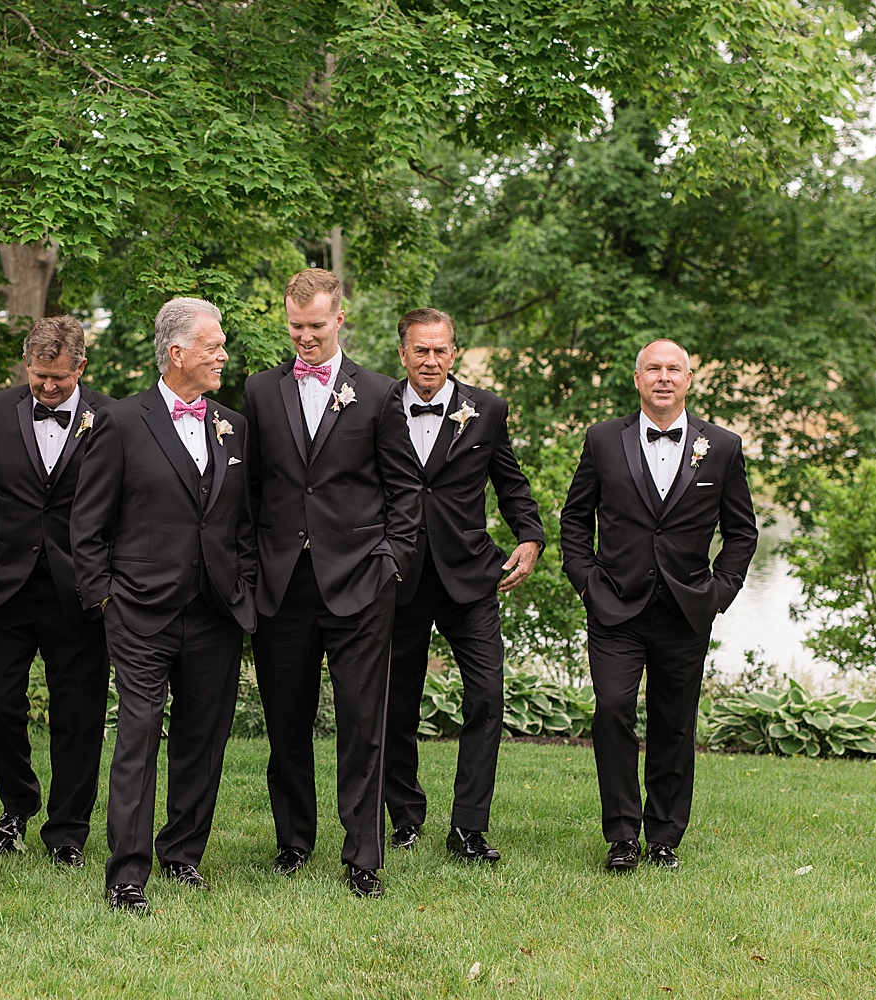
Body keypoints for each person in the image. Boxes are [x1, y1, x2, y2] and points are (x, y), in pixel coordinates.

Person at [70, 297, 257, 913]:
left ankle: (183, 855)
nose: (223, 354)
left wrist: (244, 588)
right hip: (140, 613)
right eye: (214, 346)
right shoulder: (120, 422)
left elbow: (244, 522)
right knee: (139, 737)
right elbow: (87, 526)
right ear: (177, 354)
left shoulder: (232, 423)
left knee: (203, 738)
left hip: (216, 612)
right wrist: (105, 600)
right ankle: (127, 873)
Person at [241, 268, 423, 898]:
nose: (305, 339)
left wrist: (391, 561)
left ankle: (363, 857)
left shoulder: (377, 394)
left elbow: (404, 491)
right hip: (282, 585)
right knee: (285, 722)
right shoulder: (260, 391)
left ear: (339, 320)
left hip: (361, 584)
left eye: (316, 327)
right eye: (295, 328)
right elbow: (252, 488)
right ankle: (293, 842)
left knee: (362, 723)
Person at [559, 338, 757, 871]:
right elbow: (575, 520)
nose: (663, 377)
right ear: (637, 378)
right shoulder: (603, 440)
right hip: (614, 607)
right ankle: (622, 835)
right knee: (613, 709)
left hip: (686, 611)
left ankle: (665, 836)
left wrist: (719, 592)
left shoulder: (722, 446)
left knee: (674, 724)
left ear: (689, 379)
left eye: (674, 369)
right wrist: (584, 581)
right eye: (654, 369)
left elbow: (741, 534)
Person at [383, 308, 545, 862]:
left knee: (486, 698)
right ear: (402, 354)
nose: (431, 361)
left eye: (441, 351)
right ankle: (404, 817)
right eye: (420, 351)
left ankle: (468, 828)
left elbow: (511, 481)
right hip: (397, 577)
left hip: (471, 577)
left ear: (455, 353)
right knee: (393, 704)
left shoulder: (487, 409)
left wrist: (530, 535)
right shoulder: (374, 407)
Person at [0, 315, 114, 867]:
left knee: (78, 715)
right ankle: (18, 800)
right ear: (26, 364)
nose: (48, 387)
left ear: (80, 367)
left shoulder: (110, 417)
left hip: (79, 591)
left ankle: (69, 829)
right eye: (38, 375)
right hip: (2, 584)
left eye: (59, 378)